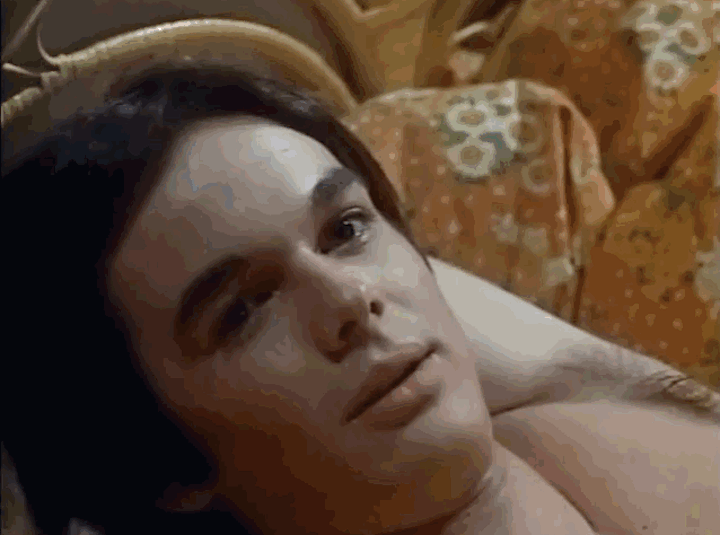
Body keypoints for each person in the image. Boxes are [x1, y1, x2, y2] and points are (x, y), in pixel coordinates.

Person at [3, 66, 718, 535]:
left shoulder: (580, 405)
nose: (352, 298)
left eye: (345, 230)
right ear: (165, 470)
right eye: (243, 311)